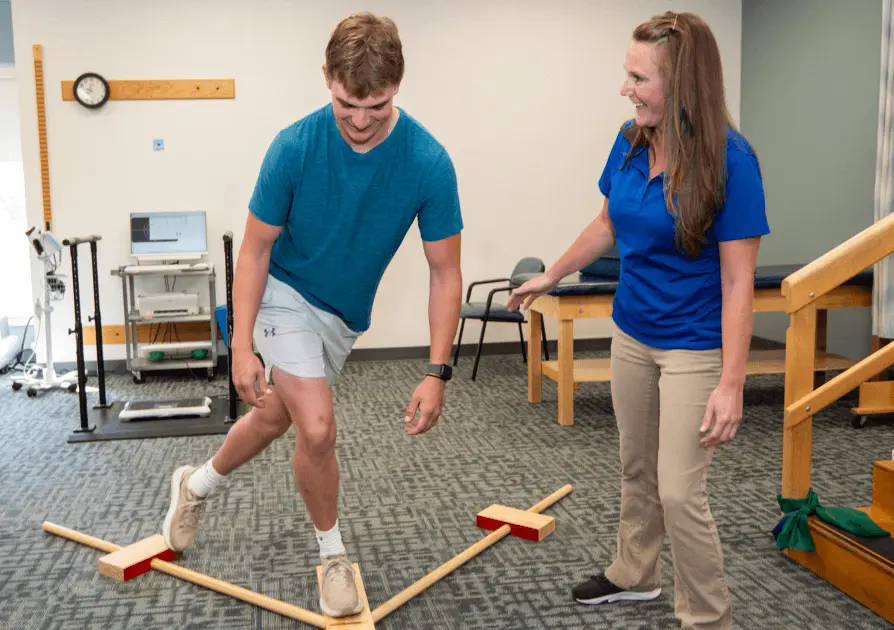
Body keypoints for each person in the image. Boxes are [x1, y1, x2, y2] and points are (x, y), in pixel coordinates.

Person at [160, 12, 463, 618]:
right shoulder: (294, 146)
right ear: (326, 77)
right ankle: (332, 556)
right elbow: (254, 249)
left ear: (398, 85)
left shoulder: (428, 161)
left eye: (376, 106)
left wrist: (437, 370)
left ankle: (193, 486)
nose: (359, 120)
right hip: (283, 292)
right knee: (317, 427)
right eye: (348, 102)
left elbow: (444, 272)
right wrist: (241, 344)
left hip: (342, 318)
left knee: (274, 417)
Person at [508, 11, 768, 630]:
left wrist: (731, 382)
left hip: (693, 346)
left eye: (638, 76)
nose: (625, 88)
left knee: (680, 491)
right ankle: (635, 573)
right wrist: (553, 274)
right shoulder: (630, 140)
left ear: (682, 83)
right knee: (636, 467)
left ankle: (708, 617)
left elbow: (738, 282)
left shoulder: (734, 161)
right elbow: (607, 223)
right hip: (632, 331)